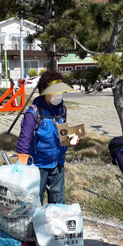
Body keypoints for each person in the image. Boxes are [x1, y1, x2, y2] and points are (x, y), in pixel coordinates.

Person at [16, 70, 78, 205]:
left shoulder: (62, 108)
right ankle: (33, 225)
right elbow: (24, 141)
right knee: (34, 202)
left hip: (58, 163)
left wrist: (70, 138)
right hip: (38, 166)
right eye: (54, 92)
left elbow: (62, 130)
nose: (58, 95)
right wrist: (21, 169)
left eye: (60, 91)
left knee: (58, 203)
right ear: (44, 92)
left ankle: (54, 225)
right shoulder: (33, 113)